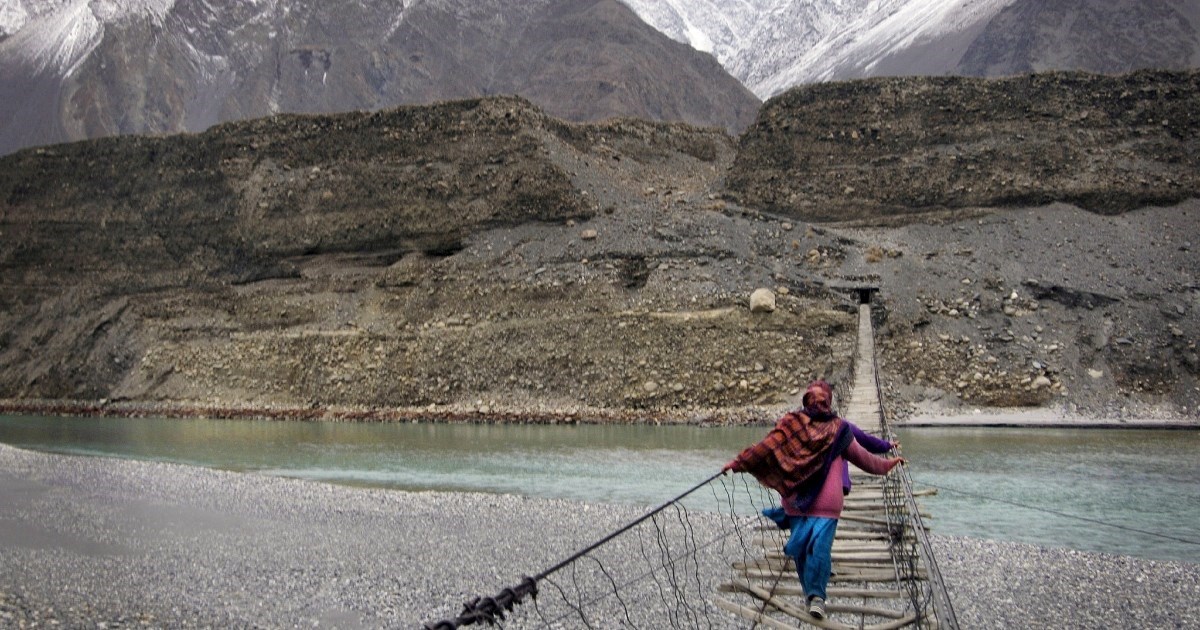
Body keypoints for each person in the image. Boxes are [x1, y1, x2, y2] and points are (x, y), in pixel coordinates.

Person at [722, 380, 904, 620]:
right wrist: (888, 464)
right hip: (823, 504)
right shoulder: (839, 429)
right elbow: (865, 459)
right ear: (828, 401)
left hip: (798, 501)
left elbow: (766, 448)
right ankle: (815, 595)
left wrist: (738, 463)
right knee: (817, 548)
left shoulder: (791, 424)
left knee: (805, 550)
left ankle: (813, 594)